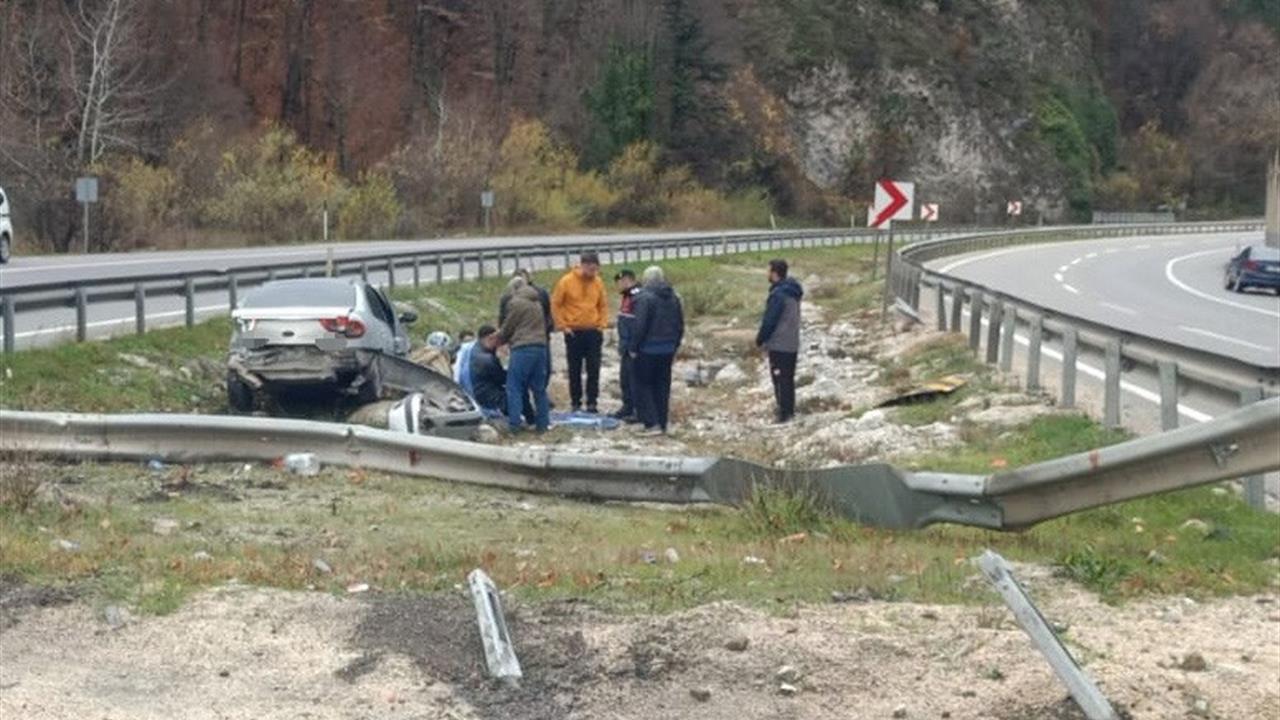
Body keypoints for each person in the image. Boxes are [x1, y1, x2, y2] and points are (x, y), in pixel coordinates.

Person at [627, 266, 684, 436]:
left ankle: (651, 423)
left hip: (647, 348)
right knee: (662, 385)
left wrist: (633, 347)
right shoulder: (673, 297)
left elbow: (640, 325)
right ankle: (662, 421)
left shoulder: (644, 298)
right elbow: (680, 324)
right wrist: (675, 345)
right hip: (667, 348)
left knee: (643, 385)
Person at [551, 252, 608, 413]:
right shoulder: (566, 281)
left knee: (593, 368)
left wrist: (602, 325)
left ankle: (592, 402)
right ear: (582, 265)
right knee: (574, 369)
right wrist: (563, 326)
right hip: (573, 332)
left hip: (593, 331)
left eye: (595, 269)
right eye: (590, 268)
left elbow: (603, 305)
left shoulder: (598, 282)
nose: (592, 272)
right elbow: (556, 304)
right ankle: (575, 402)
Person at [499, 276, 551, 432]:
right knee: (539, 388)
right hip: (541, 347)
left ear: (514, 289)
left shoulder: (516, 303)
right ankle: (543, 424)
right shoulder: (537, 302)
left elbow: (508, 326)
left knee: (514, 386)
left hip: (523, 347)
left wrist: (500, 338)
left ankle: (514, 425)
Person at [755, 259, 804, 424]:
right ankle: (789, 411)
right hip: (792, 342)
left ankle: (783, 414)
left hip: (779, 343)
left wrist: (760, 339)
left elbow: (770, 321)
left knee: (779, 379)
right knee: (788, 379)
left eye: (768, 271)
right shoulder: (793, 292)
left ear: (774, 273)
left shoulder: (778, 295)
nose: (766, 274)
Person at [499, 268, 554, 393]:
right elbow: (504, 320)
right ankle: (532, 399)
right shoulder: (508, 298)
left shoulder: (540, 294)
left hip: (532, 339)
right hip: (529, 340)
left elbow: (548, 315)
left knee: (532, 375)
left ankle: (531, 399)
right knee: (533, 374)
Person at [468, 324, 534, 424]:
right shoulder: (486, 359)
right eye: (496, 340)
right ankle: (528, 420)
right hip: (487, 394)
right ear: (490, 338)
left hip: (481, 389)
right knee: (519, 395)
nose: (498, 344)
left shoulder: (477, 350)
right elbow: (502, 378)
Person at [612, 269, 640, 422]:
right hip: (625, 345)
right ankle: (627, 406)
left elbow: (637, 324)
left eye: (621, 282)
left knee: (634, 380)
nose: (619, 286)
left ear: (629, 280)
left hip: (633, 346)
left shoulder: (636, 297)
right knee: (625, 379)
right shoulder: (626, 297)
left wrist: (633, 346)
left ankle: (636, 409)